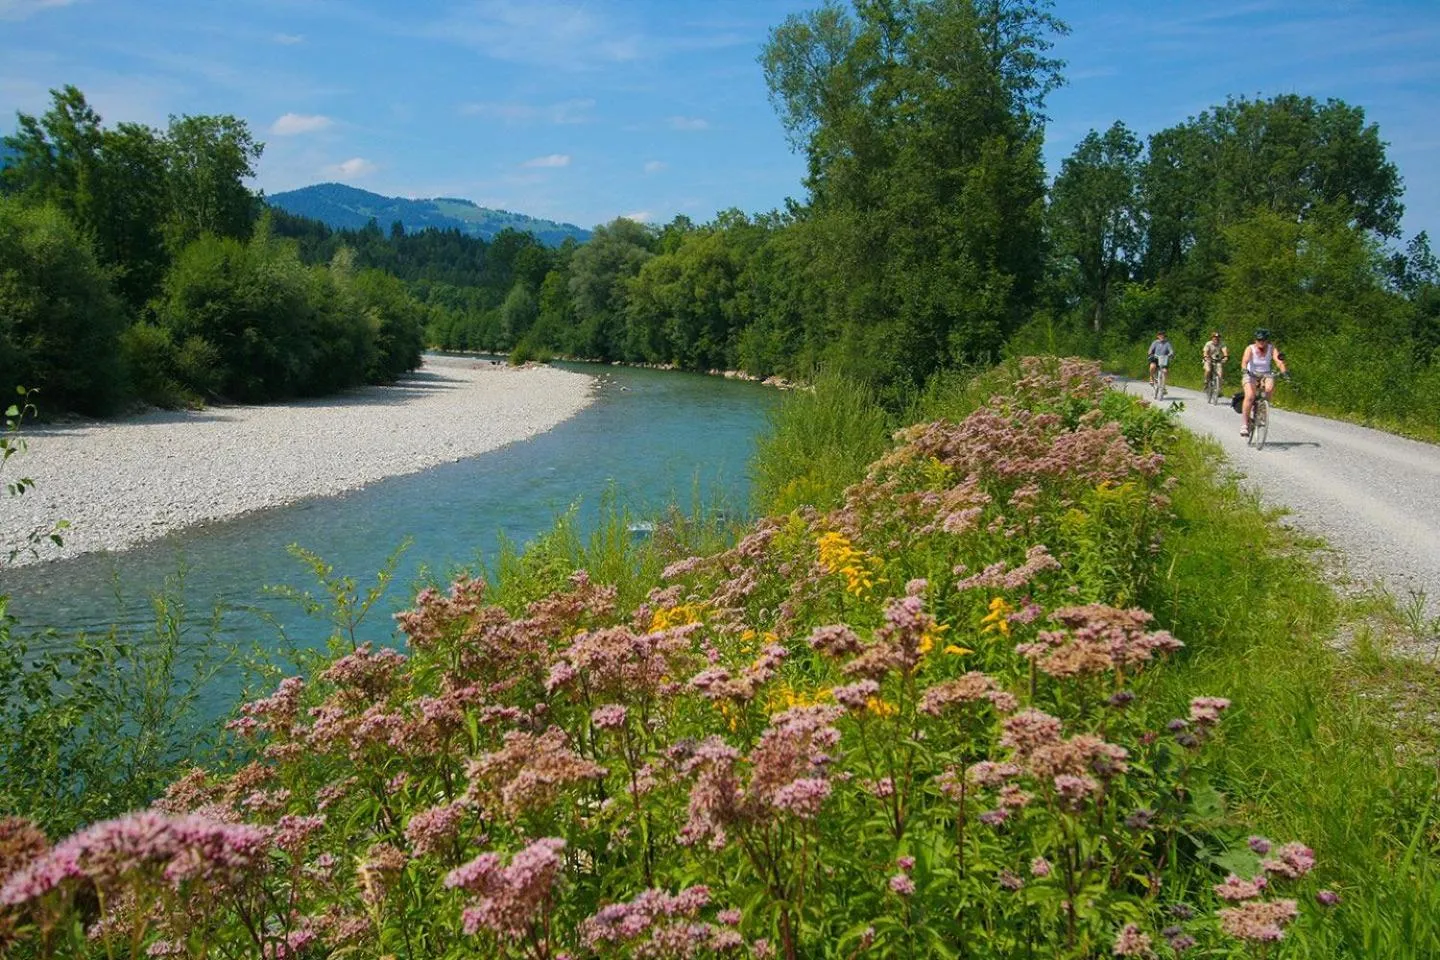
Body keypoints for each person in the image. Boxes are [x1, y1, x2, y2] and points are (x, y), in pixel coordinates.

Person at [1239, 327, 1289, 436]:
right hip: (1250, 373)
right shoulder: (1250, 348)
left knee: (1269, 388)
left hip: (1266, 373)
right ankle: (1245, 424)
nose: (1260, 342)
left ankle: (1262, 411)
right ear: (1255, 340)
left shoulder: (1271, 348)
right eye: (1258, 340)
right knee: (1250, 396)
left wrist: (1284, 372)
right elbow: (1245, 360)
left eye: (1263, 340)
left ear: (1267, 340)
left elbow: (1278, 361)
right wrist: (1244, 370)